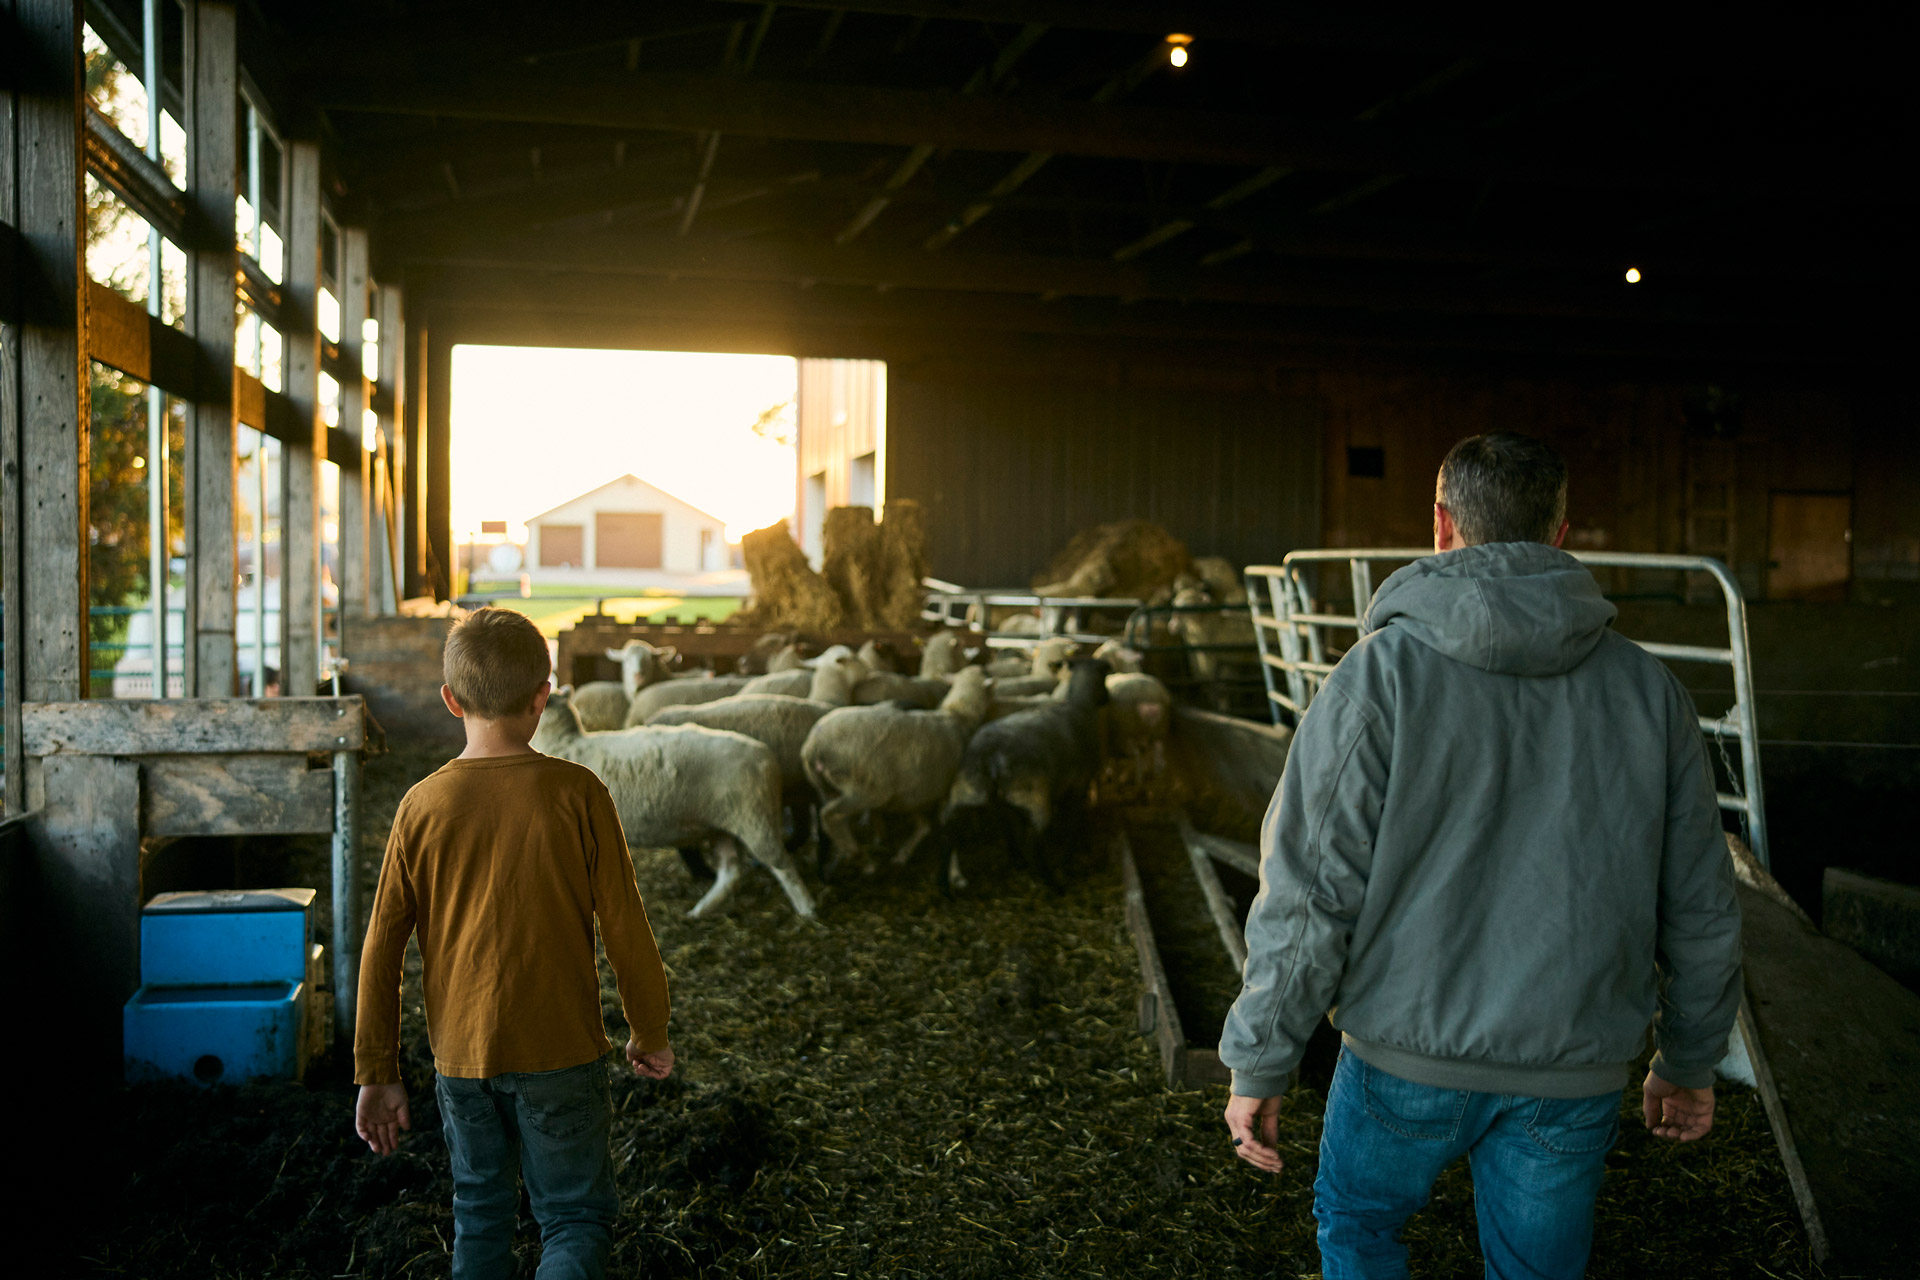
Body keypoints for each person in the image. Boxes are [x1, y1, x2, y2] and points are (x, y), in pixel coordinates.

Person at [1220, 432, 1742, 1279]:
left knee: (1359, 1230)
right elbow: (1702, 902)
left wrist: (1261, 1057)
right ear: (1561, 533)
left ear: (1440, 524)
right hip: (1574, 1066)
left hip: (1401, 1053)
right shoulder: (1651, 694)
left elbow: (1311, 891)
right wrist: (1688, 1060)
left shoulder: (1375, 679)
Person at [354, 606, 675, 1280]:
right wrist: (649, 1029)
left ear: (449, 700)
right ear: (543, 697)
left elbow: (381, 949)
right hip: (561, 1052)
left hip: (462, 1058)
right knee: (575, 1217)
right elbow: (627, 930)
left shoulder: (420, 806)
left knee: (480, 1209)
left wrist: (376, 1069)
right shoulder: (579, 793)